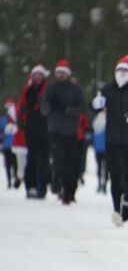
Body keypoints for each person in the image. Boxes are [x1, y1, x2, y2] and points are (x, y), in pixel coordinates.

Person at [92, 55, 128, 226]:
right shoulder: (108, 89)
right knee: (114, 174)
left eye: (125, 70)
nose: (122, 73)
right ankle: (116, 209)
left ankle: (127, 199)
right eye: (119, 70)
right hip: (112, 139)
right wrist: (95, 105)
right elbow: (98, 108)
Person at [41, 60, 86, 204]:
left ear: (68, 74)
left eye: (63, 73)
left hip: (71, 131)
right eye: (59, 72)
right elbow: (44, 106)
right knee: (58, 160)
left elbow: (83, 108)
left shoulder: (76, 89)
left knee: (71, 163)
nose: (61, 75)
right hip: (54, 129)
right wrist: (49, 110)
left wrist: (68, 110)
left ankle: (69, 192)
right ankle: (57, 184)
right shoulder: (51, 88)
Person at [17, 64, 50, 198]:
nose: (37, 77)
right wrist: (21, 121)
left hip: (45, 128)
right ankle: (31, 186)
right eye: (35, 74)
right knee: (31, 158)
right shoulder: (28, 90)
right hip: (31, 128)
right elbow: (22, 107)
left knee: (43, 159)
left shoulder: (48, 90)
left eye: (40, 75)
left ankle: (42, 186)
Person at [0, 99, 18, 188]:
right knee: (9, 164)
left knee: (13, 163)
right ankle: (10, 182)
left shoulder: (16, 119)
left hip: (14, 145)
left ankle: (13, 181)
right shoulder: (3, 120)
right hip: (8, 145)